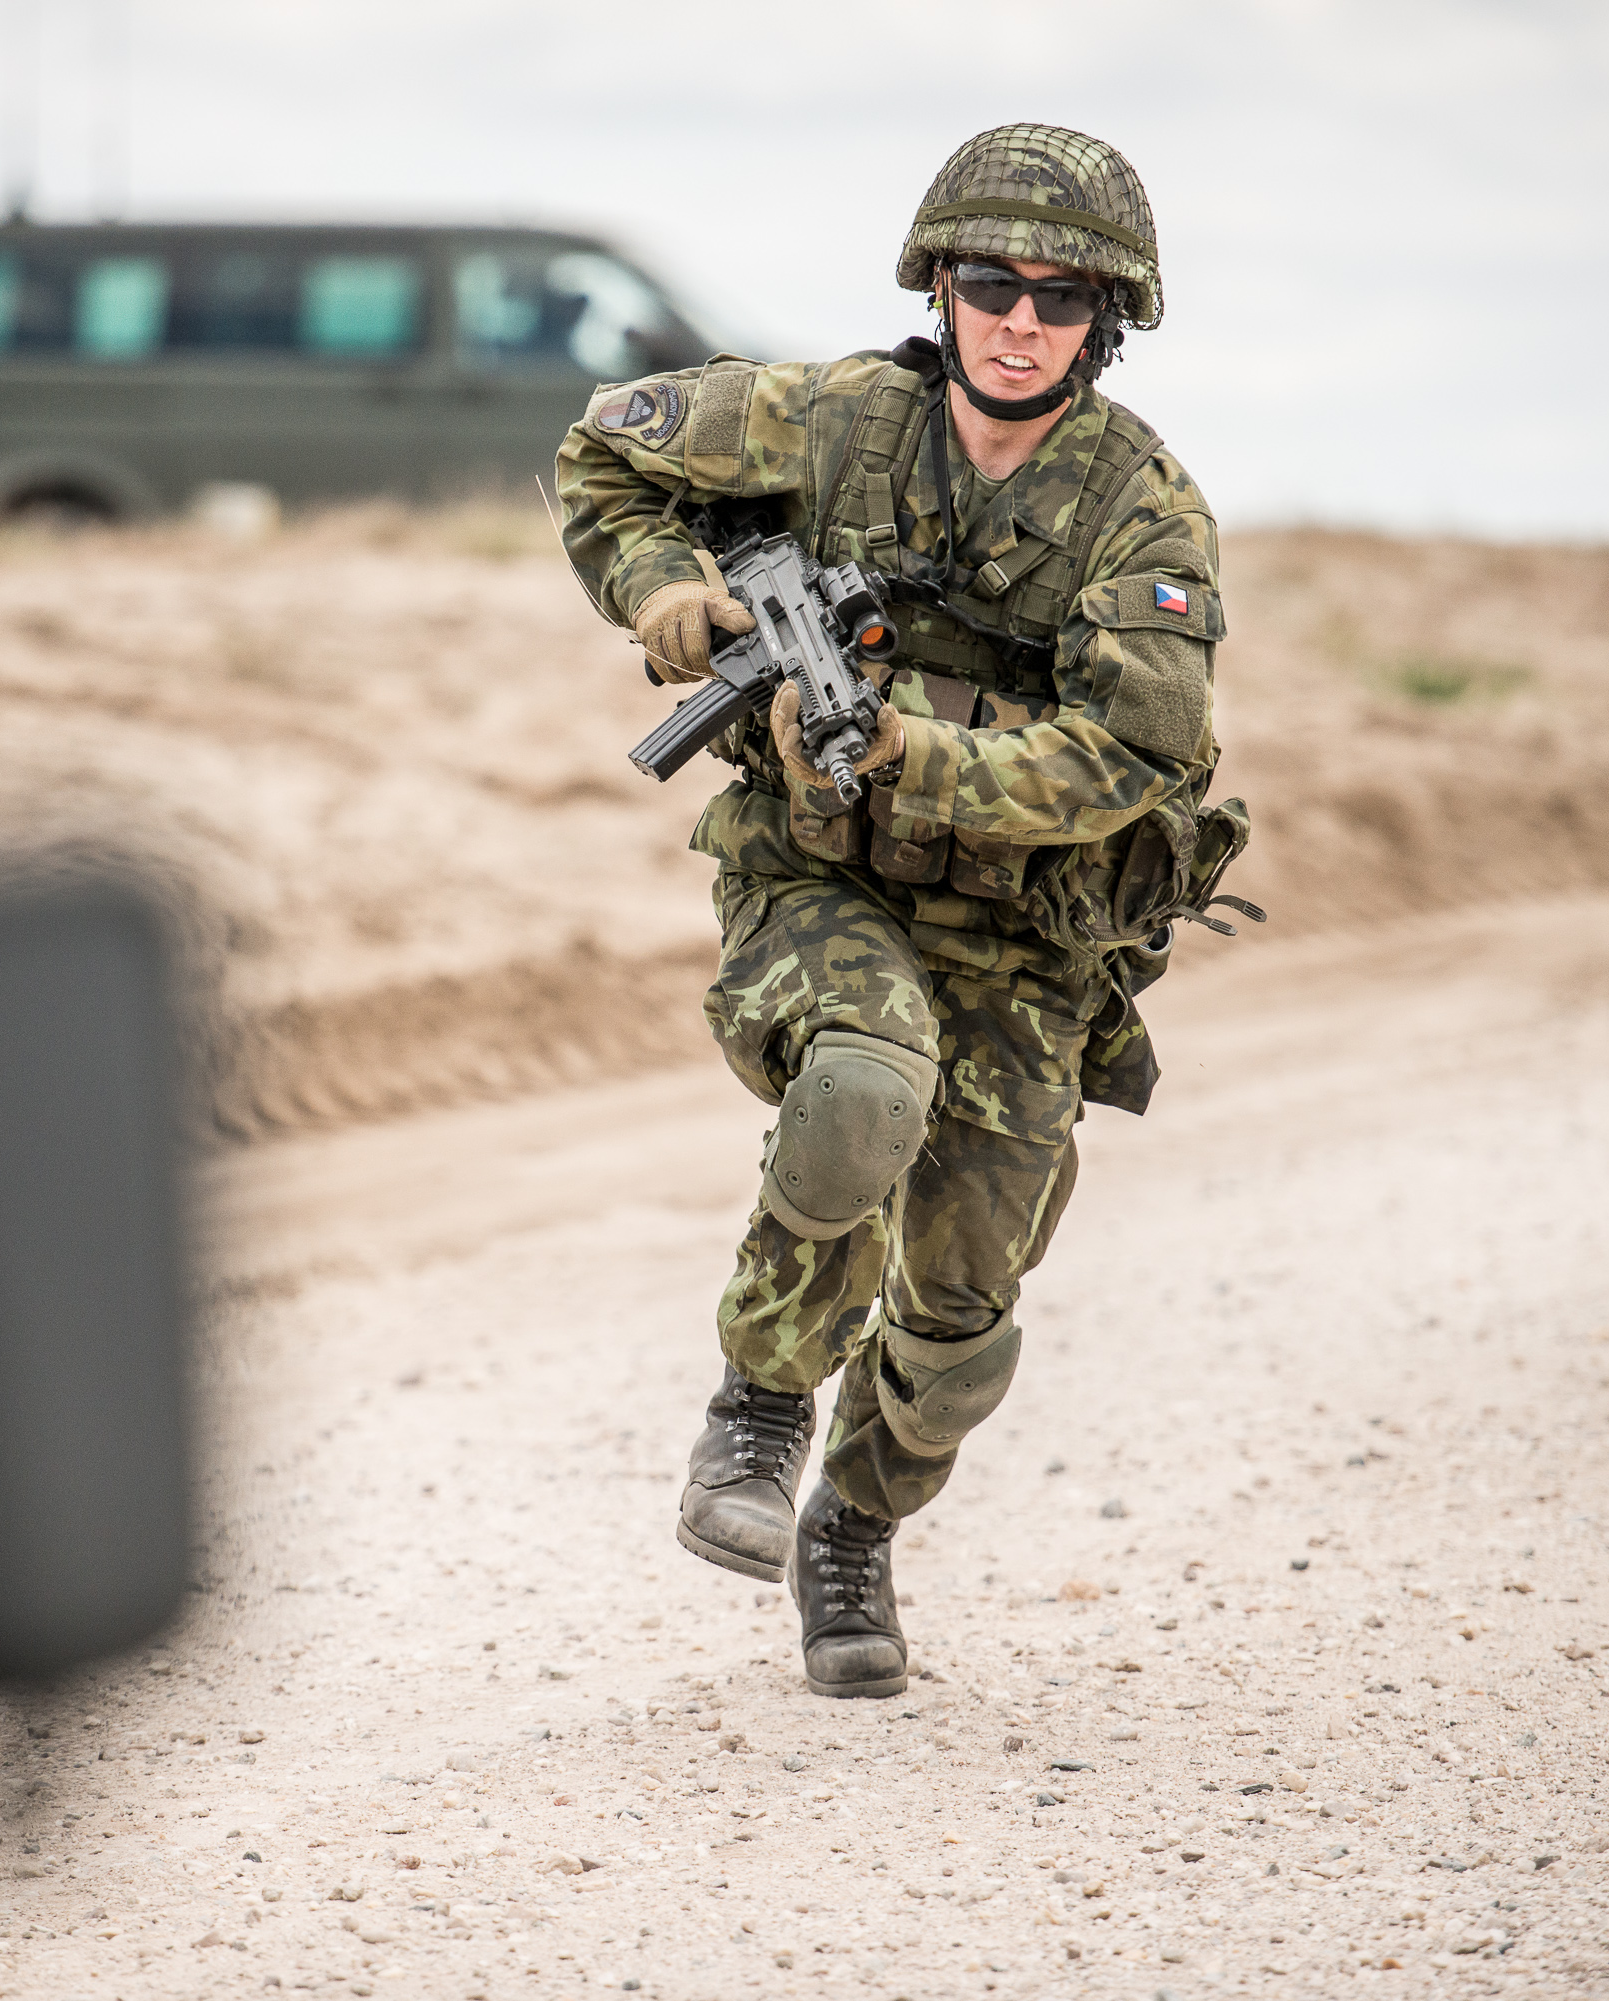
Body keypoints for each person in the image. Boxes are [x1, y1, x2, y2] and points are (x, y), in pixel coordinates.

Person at [553, 124, 1245, 1698]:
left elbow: (1130, 756)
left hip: (1024, 928)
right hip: (820, 873)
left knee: (957, 1319)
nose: (1017, 319)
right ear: (938, 284)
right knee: (861, 1084)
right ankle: (757, 1402)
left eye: (1059, 298)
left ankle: (850, 1526)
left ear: (1107, 321)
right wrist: (665, 591)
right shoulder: (829, 420)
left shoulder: (1140, 513)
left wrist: (911, 751)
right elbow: (605, 450)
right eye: (987, 281)